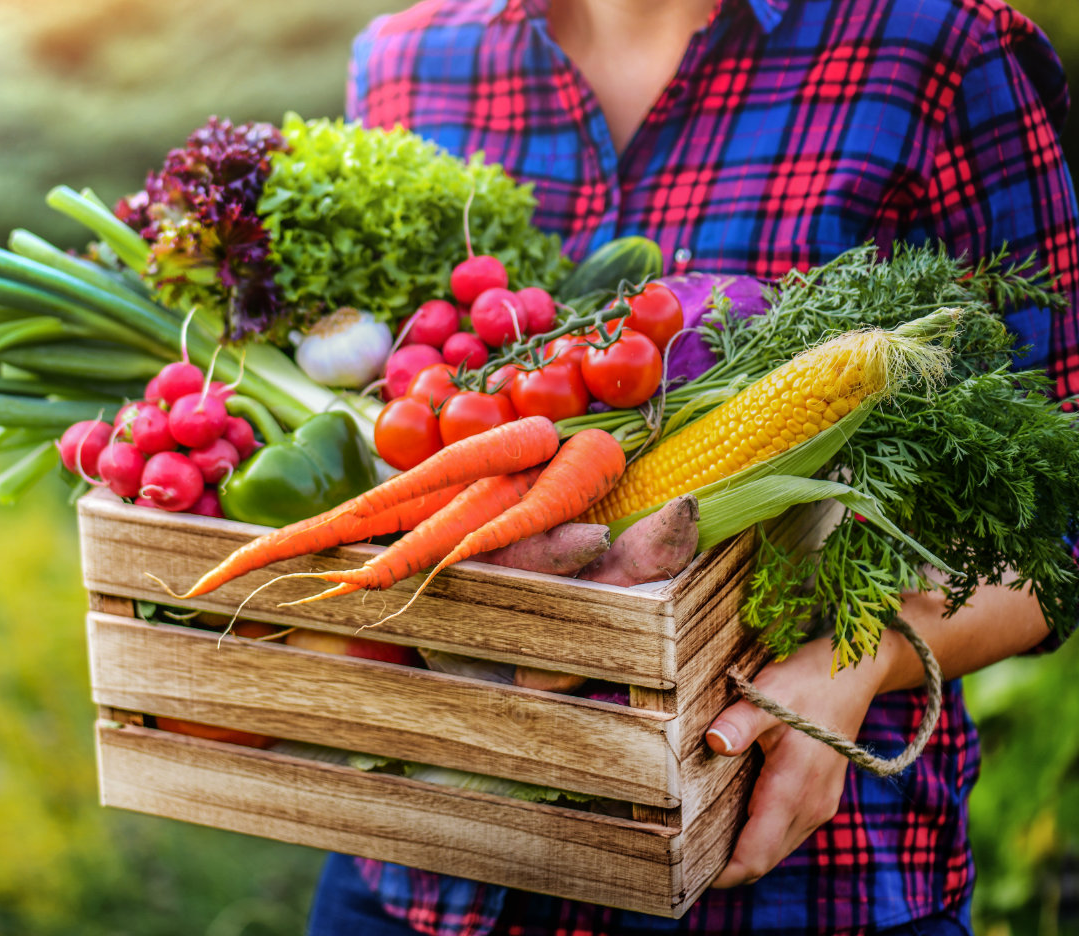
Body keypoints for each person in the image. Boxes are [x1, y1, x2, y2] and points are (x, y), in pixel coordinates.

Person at [306, 0, 1079, 933]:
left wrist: (855, 662)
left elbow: (1055, 531)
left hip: (784, 875)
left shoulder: (936, 51)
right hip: (430, 868)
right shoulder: (409, 60)